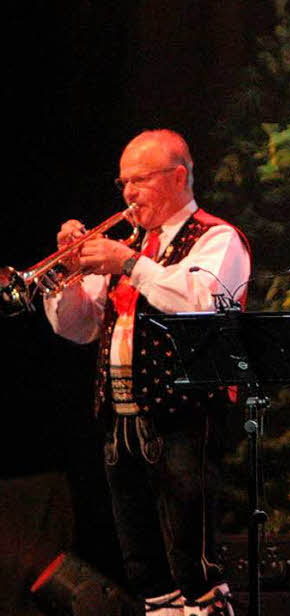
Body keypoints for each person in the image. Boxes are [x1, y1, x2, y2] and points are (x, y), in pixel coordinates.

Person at [44, 130, 251, 616]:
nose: (128, 194)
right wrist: (66, 275)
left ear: (179, 177)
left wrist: (132, 264)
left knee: (192, 563)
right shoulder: (127, 247)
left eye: (140, 180)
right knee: (145, 567)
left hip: (184, 417)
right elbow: (78, 328)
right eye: (123, 182)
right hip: (120, 418)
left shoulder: (218, 238)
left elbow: (199, 302)